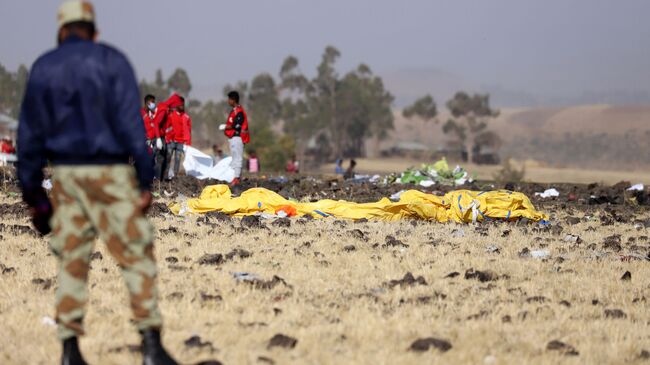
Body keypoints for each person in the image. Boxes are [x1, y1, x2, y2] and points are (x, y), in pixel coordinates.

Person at [16, 2, 178, 364]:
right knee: (136, 255)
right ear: (95, 32)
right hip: (112, 174)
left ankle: (69, 349)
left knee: (71, 260)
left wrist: (33, 194)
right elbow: (133, 128)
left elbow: (28, 137)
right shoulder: (114, 62)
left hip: (67, 177)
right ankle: (151, 345)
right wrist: (144, 181)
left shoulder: (44, 66)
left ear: (61, 32)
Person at [223, 91, 250, 186]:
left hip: (238, 138)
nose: (228, 101)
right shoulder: (234, 110)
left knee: (238, 158)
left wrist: (225, 127)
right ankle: (235, 177)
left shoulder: (239, 112)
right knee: (234, 158)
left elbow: (237, 126)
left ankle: (237, 178)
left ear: (233, 100)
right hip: (233, 138)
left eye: (229, 99)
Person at [164, 96, 191, 179]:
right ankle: (166, 175)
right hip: (171, 141)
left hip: (180, 142)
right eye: (180, 105)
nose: (182, 106)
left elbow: (188, 131)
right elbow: (167, 127)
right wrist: (167, 137)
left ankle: (175, 176)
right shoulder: (171, 115)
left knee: (178, 159)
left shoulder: (186, 117)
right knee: (168, 157)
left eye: (183, 105)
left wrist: (188, 143)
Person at [141, 94, 165, 179]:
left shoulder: (154, 113)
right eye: (152, 102)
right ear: (147, 102)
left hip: (154, 140)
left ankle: (154, 178)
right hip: (144, 140)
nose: (154, 104)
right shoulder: (141, 113)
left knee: (155, 159)